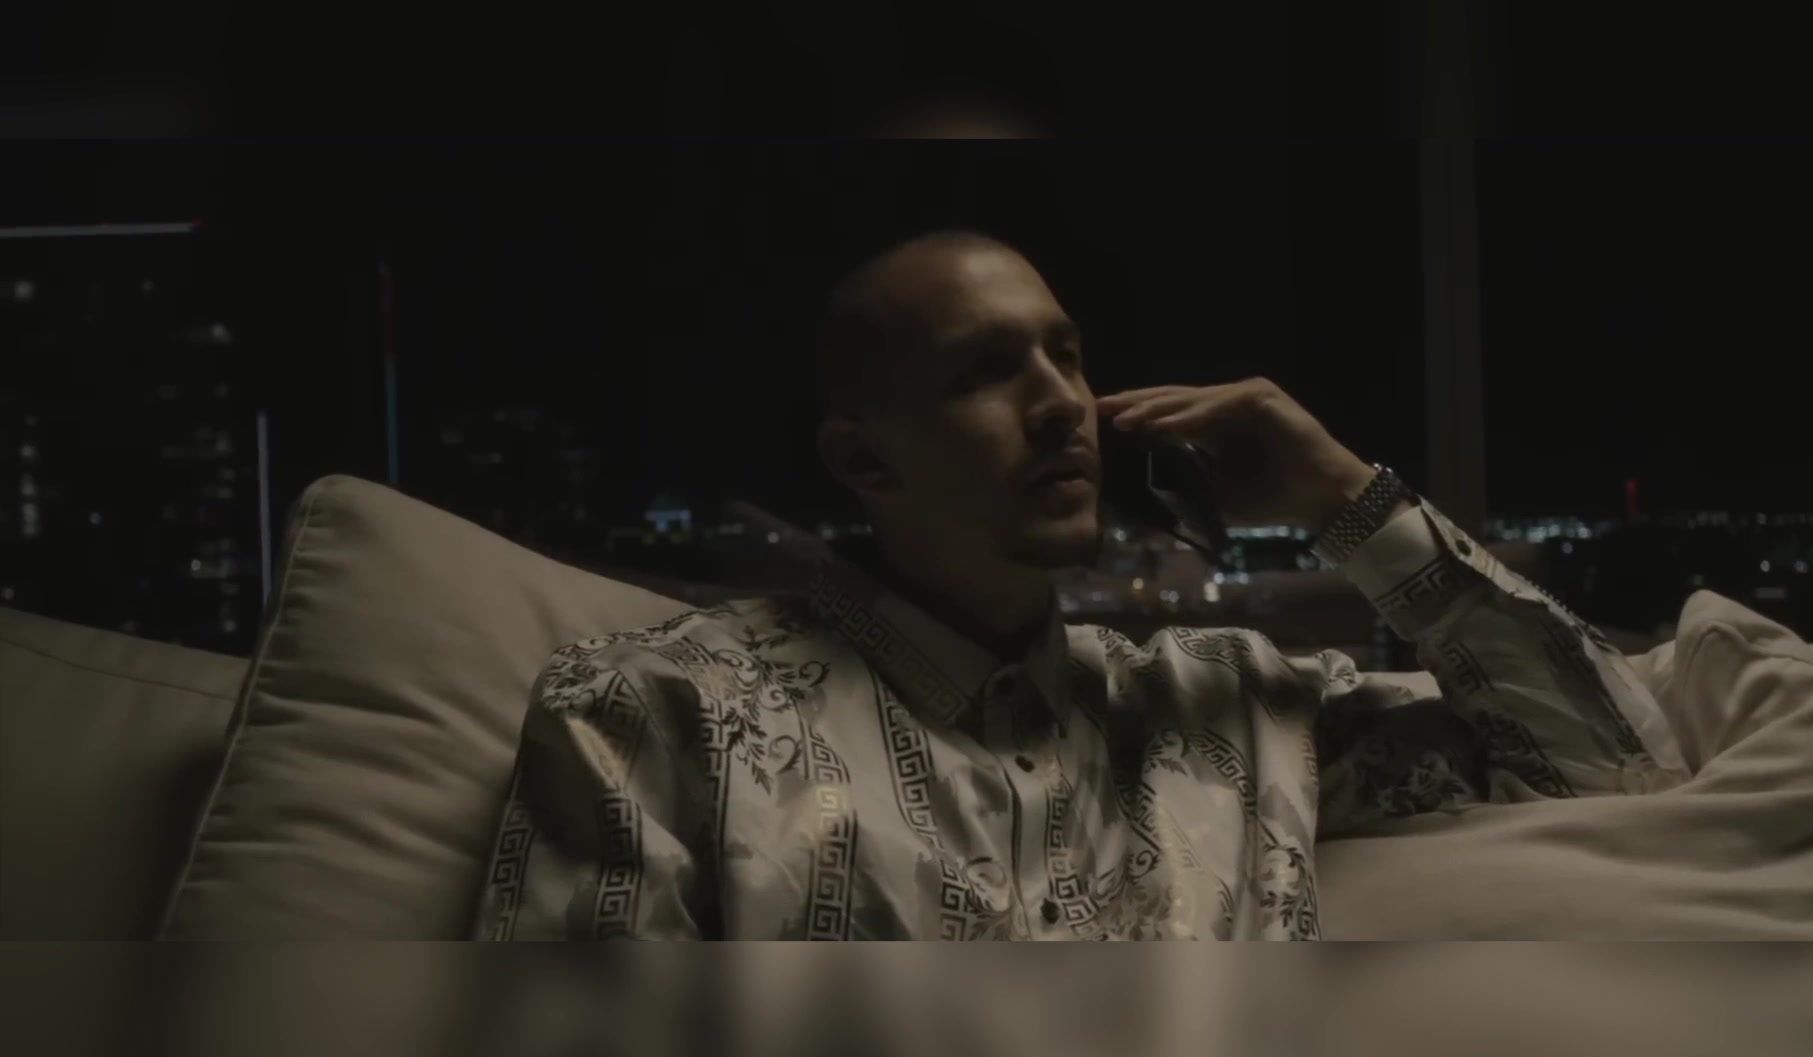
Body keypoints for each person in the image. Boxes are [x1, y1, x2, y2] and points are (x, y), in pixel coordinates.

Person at [474, 230, 1691, 940]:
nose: (1064, 404)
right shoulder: (658, 712)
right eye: (987, 371)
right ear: (863, 461)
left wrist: (1341, 497)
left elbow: (1613, 768)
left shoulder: (1240, 711)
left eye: (1067, 356)